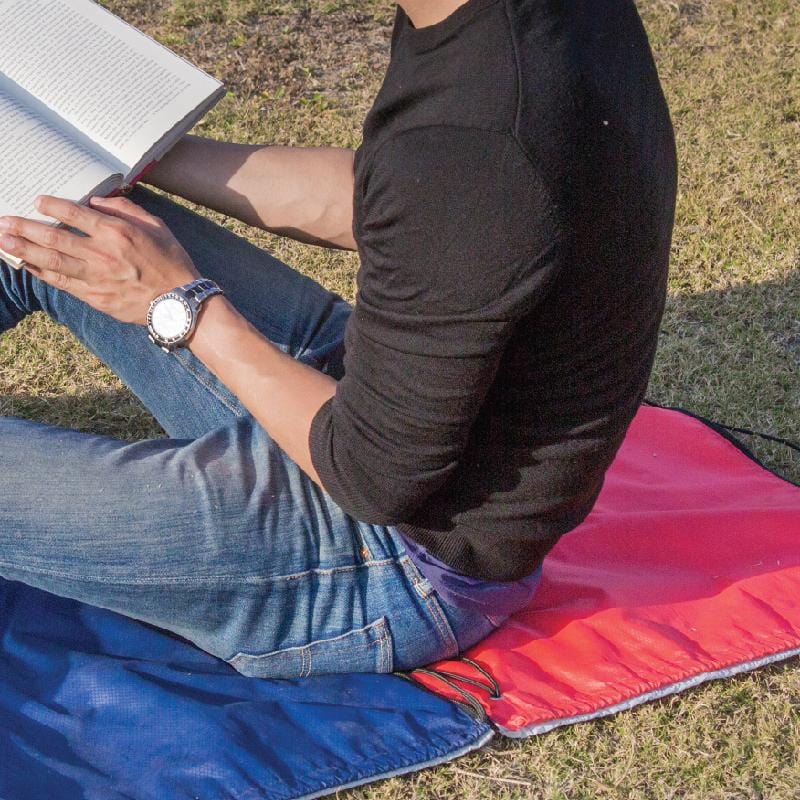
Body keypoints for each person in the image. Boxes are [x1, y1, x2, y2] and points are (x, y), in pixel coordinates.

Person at [0, 0, 676, 679]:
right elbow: (396, 196)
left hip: (391, 559)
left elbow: (370, 478)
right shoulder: (508, 26)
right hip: (371, 402)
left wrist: (177, 302)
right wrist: (125, 149)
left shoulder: (483, 139)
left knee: (88, 236)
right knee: (54, 200)